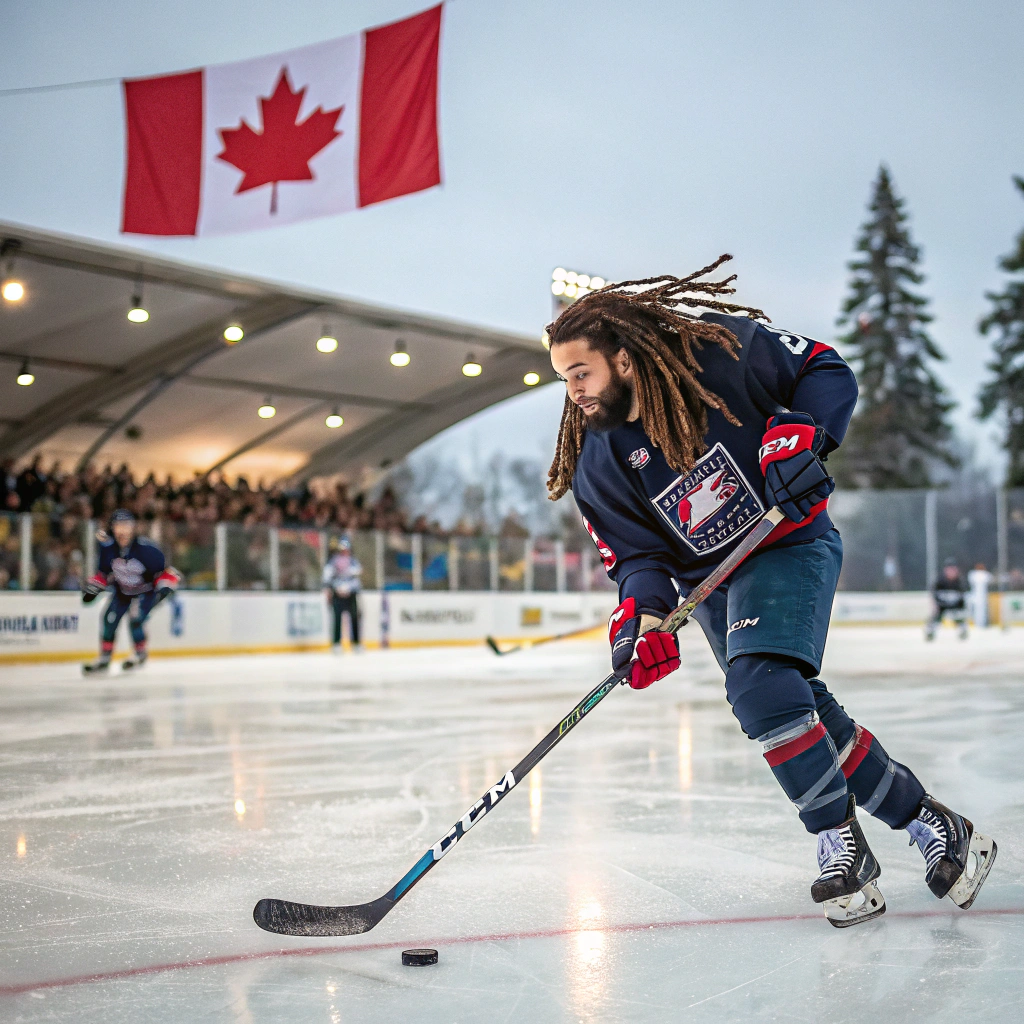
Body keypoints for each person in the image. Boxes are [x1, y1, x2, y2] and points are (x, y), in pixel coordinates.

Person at [546, 257, 997, 927]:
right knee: (798, 709)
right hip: (716, 589)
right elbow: (638, 558)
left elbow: (823, 368)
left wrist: (799, 434)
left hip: (788, 543)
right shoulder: (599, 464)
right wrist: (638, 621)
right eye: (563, 378)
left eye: (581, 372)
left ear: (625, 358)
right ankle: (933, 824)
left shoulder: (713, 357)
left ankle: (838, 843)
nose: (573, 391)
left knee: (759, 689)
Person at [82, 509, 180, 673]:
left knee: (135, 619)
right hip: (122, 591)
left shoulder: (147, 549)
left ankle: (139, 653)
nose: (122, 531)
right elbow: (103, 574)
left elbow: (166, 573)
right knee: (108, 619)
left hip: (145, 591)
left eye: (126, 526)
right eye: (118, 526)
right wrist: (94, 587)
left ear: (134, 528)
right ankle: (105, 657)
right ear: (112, 528)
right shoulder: (108, 549)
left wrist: (165, 586)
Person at [322, 536, 362, 651]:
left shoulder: (353, 561)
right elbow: (327, 576)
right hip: (337, 592)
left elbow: (357, 573)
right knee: (337, 618)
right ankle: (336, 643)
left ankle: (356, 643)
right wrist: (333, 588)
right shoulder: (333, 561)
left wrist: (349, 588)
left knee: (354, 617)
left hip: (351, 593)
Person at [926, 558, 969, 641]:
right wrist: (934, 606)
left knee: (959, 616)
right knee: (936, 616)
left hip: (955, 605)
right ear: (945, 570)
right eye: (949, 569)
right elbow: (933, 595)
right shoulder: (939, 581)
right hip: (942, 605)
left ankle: (962, 631)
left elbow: (963, 598)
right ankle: (930, 631)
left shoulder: (960, 582)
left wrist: (963, 609)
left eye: (953, 569)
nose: (951, 572)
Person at [967, 562, 994, 629]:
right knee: (976, 611)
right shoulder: (976, 574)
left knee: (982, 611)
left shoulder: (973, 574)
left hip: (981, 596)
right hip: (977, 595)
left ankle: (981, 624)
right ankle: (977, 623)